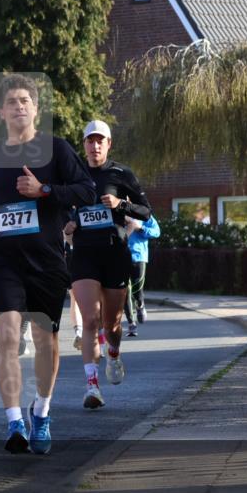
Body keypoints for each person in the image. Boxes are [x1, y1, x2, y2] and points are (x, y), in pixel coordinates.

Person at [0, 74, 96, 455]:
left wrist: (45, 190)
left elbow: (86, 191)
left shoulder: (56, 149)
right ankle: (14, 422)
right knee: (5, 336)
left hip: (47, 261)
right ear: (2, 111)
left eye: (26, 100)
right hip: (3, 259)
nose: (20, 106)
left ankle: (41, 410)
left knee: (45, 341)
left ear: (36, 109)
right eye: (13, 101)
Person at [63, 120, 151, 409]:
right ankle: (92, 386)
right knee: (89, 319)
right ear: (84, 144)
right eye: (90, 140)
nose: (95, 145)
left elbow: (145, 212)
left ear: (108, 144)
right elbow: (61, 206)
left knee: (111, 324)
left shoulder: (121, 173)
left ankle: (113, 352)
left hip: (115, 252)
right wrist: (68, 223)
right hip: (84, 253)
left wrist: (120, 205)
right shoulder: (73, 174)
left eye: (100, 140)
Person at [124, 213, 160, 336]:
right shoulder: (114, 212)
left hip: (138, 257)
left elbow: (156, 232)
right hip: (120, 257)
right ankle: (131, 323)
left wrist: (140, 228)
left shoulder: (142, 213)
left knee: (137, 290)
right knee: (125, 291)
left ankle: (140, 305)